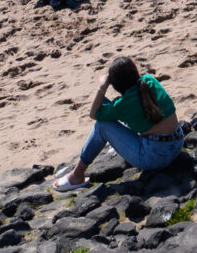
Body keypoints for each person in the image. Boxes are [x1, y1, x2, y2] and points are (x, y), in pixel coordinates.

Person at [50, 59, 182, 190]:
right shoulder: (149, 81)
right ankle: (118, 144)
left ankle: (77, 174)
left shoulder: (123, 105)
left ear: (116, 85)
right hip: (177, 145)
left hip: (155, 158)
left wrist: (102, 87)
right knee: (112, 109)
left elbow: (94, 114)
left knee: (102, 125)